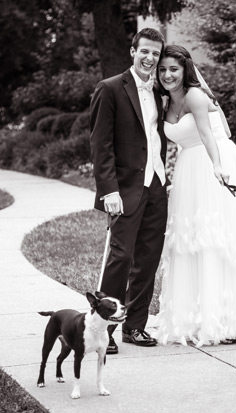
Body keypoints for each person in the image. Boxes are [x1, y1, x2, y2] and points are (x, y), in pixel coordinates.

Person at [153, 45, 236, 347]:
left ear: (185, 70)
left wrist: (219, 166)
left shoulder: (196, 95)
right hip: (188, 169)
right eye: (163, 69)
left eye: (174, 68)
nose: (168, 74)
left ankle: (229, 320)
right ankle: (195, 319)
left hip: (214, 163)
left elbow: (210, 133)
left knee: (218, 238)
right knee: (190, 240)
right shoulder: (164, 102)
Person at [89, 28, 169, 353]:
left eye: (156, 53)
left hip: (156, 186)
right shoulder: (109, 89)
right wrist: (109, 190)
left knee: (148, 259)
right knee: (120, 257)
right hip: (123, 190)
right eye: (145, 51)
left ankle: (135, 326)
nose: (150, 58)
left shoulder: (160, 92)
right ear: (133, 51)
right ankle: (104, 331)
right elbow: (100, 143)